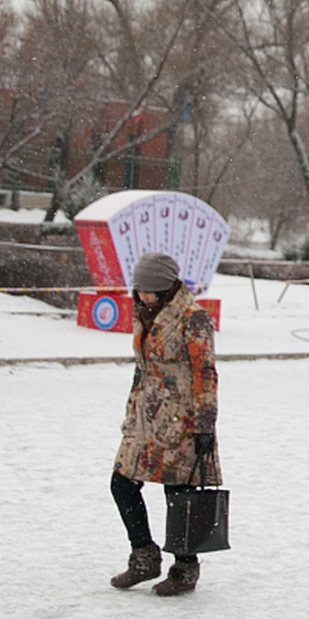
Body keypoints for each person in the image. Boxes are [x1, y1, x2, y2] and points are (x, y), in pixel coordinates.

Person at [108, 252, 220, 596]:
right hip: (144, 416)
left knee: (180, 495)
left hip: (181, 420)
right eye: (140, 289)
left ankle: (185, 569)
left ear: (168, 287)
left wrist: (204, 425)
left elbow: (205, 374)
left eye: (150, 290)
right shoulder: (144, 313)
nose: (143, 296)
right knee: (121, 483)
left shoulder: (193, 318)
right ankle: (143, 556)